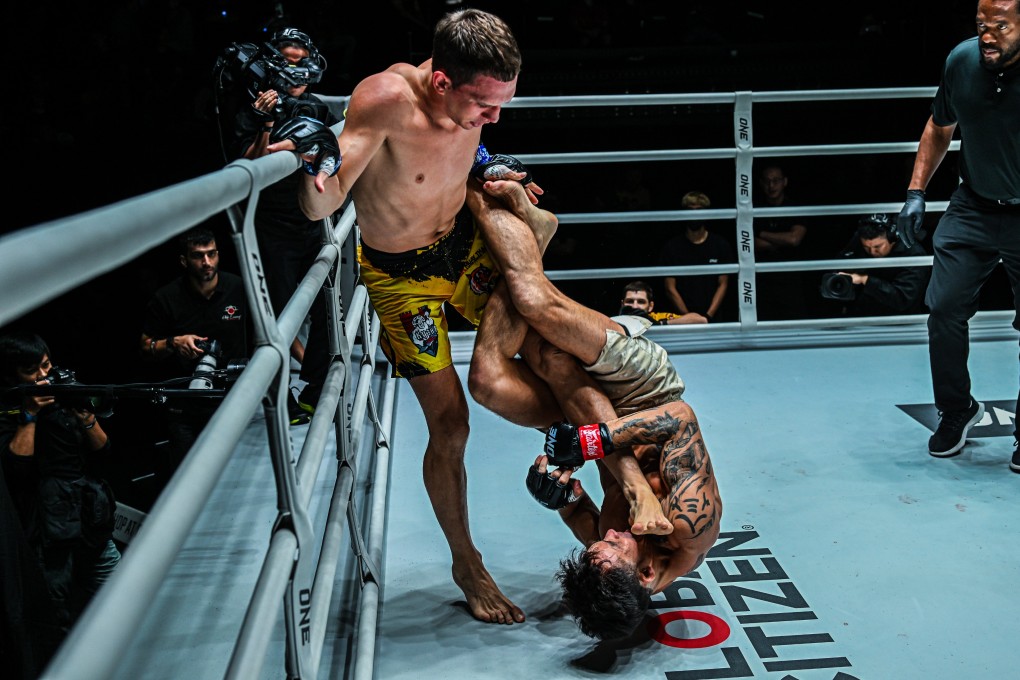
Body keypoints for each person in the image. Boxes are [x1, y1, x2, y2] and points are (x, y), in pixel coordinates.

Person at [267, 8, 534, 624]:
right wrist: (314, 161)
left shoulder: (469, 101)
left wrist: (488, 158)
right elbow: (320, 207)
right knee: (451, 423)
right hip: (401, 282)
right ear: (441, 82)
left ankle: (592, 459)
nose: (495, 115)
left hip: (462, 249)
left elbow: (463, 146)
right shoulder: (385, 99)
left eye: (502, 104)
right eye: (485, 104)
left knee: (547, 338)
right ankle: (466, 563)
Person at [462, 179, 721, 640]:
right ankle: (500, 205)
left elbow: (578, 512)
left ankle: (526, 238)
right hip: (645, 392)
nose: (609, 536)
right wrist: (590, 441)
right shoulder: (689, 525)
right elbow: (681, 417)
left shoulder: (606, 552)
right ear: (645, 575)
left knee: (487, 382)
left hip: (585, 409)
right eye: (613, 547)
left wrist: (555, 496)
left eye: (595, 547)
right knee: (532, 302)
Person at [894, 0, 1019, 464]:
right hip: (975, 204)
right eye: (982, 25)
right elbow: (939, 125)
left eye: (1001, 27)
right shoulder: (962, 61)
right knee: (943, 306)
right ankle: (956, 410)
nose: (988, 36)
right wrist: (916, 191)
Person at [230, 27, 339, 422]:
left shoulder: (319, 108)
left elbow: (337, 154)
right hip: (273, 228)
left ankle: (314, 391)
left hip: (312, 221)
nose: (300, 69)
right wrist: (263, 123)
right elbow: (251, 168)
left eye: (302, 60)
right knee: (275, 316)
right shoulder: (252, 109)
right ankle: (280, 400)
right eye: (290, 60)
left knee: (327, 311)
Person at [0, 332, 121, 633]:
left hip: (90, 521)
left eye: (46, 365)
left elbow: (103, 452)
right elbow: (16, 467)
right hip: (47, 532)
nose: (44, 376)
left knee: (121, 593)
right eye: (32, 371)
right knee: (55, 616)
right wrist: (30, 414)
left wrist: (85, 415)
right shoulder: (8, 409)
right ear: (11, 375)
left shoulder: (62, 390)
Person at [140, 227, 251, 475]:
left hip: (232, 400)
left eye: (211, 254)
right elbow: (144, 346)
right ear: (184, 260)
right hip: (184, 409)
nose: (206, 262)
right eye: (198, 256)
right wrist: (173, 343)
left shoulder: (239, 288)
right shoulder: (166, 298)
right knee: (188, 476)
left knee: (236, 473)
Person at [822, 213, 930, 317]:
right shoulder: (858, 243)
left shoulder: (914, 254)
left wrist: (865, 279)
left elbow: (902, 299)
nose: (872, 251)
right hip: (861, 317)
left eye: (878, 247)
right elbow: (839, 267)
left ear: (893, 238)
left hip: (900, 322)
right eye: (866, 247)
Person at [659, 190, 733, 321]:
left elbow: (723, 284)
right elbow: (670, 288)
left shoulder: (720, 245)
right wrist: (690, 318)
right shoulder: (672, 247)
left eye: (699, 209)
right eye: (690, 209)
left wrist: (708, 316)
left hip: (713, 317)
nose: (694, 214)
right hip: (681, 318)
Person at [754, 165, 810, 320]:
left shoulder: (794, 208)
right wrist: (782, 240)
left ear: (785, 182)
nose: (771, 186)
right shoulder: (753, 209)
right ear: (760, 183)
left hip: (790, 279)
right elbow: (751, 244)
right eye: (767, 181)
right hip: (762, 279)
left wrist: (762, 233)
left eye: (776, 181)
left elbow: (794, 239)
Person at [618, 281, 707, 325]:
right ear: (622, 304)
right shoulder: (614, 322)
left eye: (641, 302)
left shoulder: (658, 318)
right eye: (630, 301)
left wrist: (660, 324)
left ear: (650, 306)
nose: (635, 306)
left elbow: (701, 320)